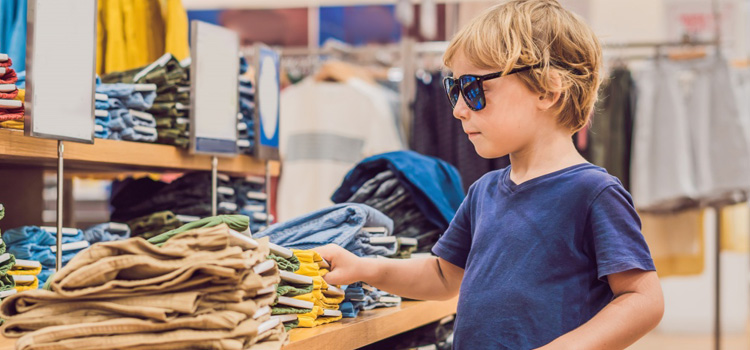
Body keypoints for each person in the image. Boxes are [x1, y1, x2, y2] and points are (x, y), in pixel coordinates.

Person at [315, 0, 664, 349]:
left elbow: (642, 299)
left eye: (473, 89)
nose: (458, 109)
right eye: (454, 90)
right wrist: (365, 267)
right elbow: (442, 275)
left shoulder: (593, 193)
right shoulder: (483, 192)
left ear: (547, 90)